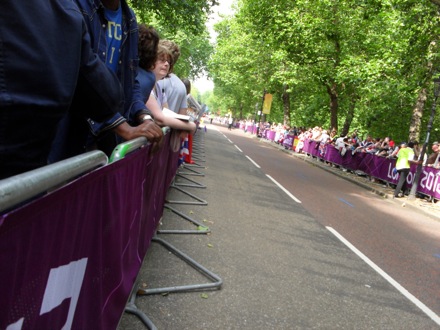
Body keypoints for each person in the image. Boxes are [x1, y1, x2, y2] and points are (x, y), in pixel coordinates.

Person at [0, 0, 137, 179]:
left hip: (27, 175)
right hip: (33, 167)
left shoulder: (125, 19)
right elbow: (105, 94)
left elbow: (118, 85)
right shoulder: (70, 9)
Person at [50, 0, 163, 160]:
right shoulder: (75, 6)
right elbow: (81, 75)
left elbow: (131, 81)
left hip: (107, 137)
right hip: (71, 134)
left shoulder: (129, 18)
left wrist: (145, 117)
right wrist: (125, 128)